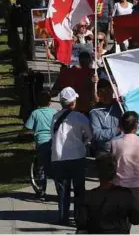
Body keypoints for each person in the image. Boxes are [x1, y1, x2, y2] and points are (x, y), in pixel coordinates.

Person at [51, 87, 92, 225]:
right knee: (79, 189)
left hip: (58, 157)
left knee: (62, 190)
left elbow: (53, 135)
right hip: (77, 156)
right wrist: (83, 143)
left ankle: (63, 217)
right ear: (73, 102)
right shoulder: (80, 117)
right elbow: (89, 134)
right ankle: (79, 217)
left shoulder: (55, 117)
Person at [76, 153, 139, 234]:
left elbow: (82, 226)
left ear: (97, 173)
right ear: (115, 172)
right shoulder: (125, 195)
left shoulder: (87, 197)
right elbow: (136, 220)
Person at [24, 90, 57, 201]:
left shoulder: (35, 113)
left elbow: (28, 128)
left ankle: (42, 191)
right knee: (55, 166)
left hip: (41, 143)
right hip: (54, 142)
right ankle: (59, 189)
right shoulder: (54, 112)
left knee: (41, 168)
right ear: (49, 102)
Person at [89, 79, 122, 153]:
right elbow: (97, 134)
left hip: (122, 150)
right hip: (105, 152)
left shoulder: (120, 105)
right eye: (103, 92)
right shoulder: (94, 112)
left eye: (109, 91)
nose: (107, 95)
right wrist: (117, 130)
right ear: (99, 94)